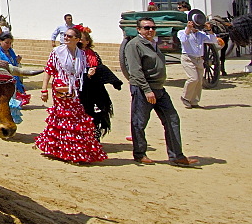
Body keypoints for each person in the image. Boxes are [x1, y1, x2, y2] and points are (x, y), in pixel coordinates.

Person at [120, 17, 198, 166]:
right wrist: (147, 90)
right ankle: (139, 154)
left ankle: (176, 156)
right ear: (139, 30)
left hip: (159, 89)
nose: (150, 30)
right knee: (139, 122)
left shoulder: (153, 43)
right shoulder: (134, 45)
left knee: (172, 119)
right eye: (146, 28)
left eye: (152, 27)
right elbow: (135, 71)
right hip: (144, 89)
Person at [36, 26, 107, 163]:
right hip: (61, 89)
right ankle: (69, 151)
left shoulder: (81, 54)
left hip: (75, 89)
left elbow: (81, 72)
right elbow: (49, 70)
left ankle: (64, 149)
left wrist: (90, 72)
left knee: (71, 116)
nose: (66, 38)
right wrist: (44, 89)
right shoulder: (57, 52)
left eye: (69, 36)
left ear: (77, 39)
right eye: (65, 35)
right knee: (69, 116)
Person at [77, 27, 122, 140]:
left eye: (82, 39)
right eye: (78, 39)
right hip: (80, 88)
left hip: (94, 88)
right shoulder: (73, 53)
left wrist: (95, 70)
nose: (79, 41)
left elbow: (100, 67)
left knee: (96, 113)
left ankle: (93, 138)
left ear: (87, 41)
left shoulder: (93, 54)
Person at [178, 17, 214, 108]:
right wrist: (188, 29)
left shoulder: (201, 34)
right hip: (188, 58)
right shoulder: (182, 32)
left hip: (199, 59)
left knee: (199, 81)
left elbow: (213, 40)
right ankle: (185, 97)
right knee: (193, 78)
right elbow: (183, 40)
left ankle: (194, 101)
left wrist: (209, 30)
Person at [0, 33, 29, 105]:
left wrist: (17, 61)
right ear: (0, 41)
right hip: (2, 82)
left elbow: (14, 64)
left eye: (10, 43)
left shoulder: (11, 51)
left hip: (13, 81)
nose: (8, 45)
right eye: (6, 43)